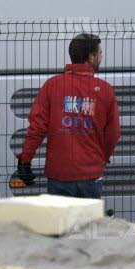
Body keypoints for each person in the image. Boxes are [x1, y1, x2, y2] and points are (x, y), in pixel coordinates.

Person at [15, 34, 120, 199]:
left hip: (59, 175)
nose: (101, 57)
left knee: (60, 224)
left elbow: (37, 127)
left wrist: (25, 160)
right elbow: (113, 134)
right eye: (100, 53)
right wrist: (101, 159)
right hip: (91, 175)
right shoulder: (105, 90)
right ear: (91, 56)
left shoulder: (52, 86)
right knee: (88, 224)